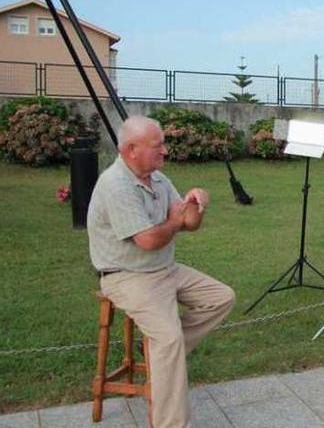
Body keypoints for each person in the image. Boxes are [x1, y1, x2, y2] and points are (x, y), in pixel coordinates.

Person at [88, 116, 236, 428]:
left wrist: (197, 203)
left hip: (164, 269)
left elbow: (190, 224)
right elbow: (149, 240)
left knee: (221, 297)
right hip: (127, 275)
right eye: (158, 146)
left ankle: (156, 349)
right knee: (169, 340)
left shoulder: (157, 178)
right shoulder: (115, 184)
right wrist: (173, 222)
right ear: (131, 149)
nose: (165, 151)